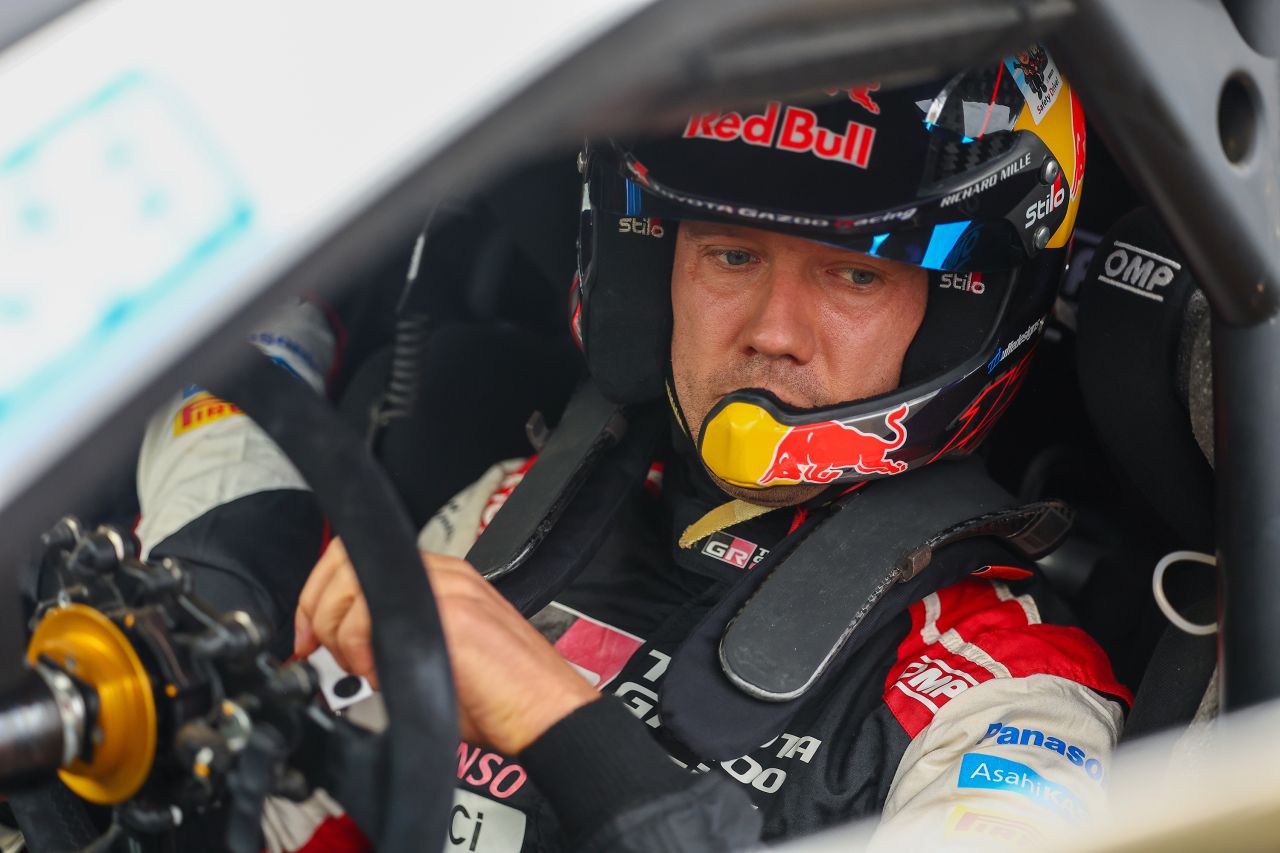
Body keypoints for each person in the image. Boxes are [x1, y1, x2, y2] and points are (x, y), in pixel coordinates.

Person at [136, 49, 1129, 852]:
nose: (772, 331)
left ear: (957, 314)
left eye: (853, 275)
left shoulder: (1011, 693)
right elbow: (299, 816)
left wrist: (557, 720)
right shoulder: (514, 516)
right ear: (655, 271)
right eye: (730, 255)